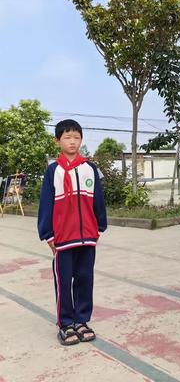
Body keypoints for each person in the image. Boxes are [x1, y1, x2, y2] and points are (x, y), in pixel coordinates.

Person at [38, 119, 107, 345]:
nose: (72, 142)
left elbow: (98, 200)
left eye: (76, 137)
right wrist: (48, 234)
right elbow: (46, 204)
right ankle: (66, 324)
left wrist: (99, 226)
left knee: (85, 279)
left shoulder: (90, 168)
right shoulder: (53, 171)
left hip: (87, 237)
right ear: (57, 141)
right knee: (64, 281)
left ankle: (81, 321)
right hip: (63, 239)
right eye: (67, 137)